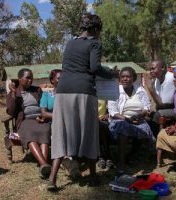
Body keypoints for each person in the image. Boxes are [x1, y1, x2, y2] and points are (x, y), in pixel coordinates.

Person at [48, 13, 119, 190]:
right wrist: (111, 73)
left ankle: (52, 179)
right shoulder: (95, 42)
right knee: (89, 131)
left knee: (61, 133)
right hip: (83, 91)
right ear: (95, 29)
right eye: (99, 31)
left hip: (62, 91)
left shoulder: (70, 43)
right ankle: (93, 176)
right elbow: (95, 67)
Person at [6, 68, 51, 179]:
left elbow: (43, 105)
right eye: (28, 78)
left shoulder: (37, 90)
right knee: (30, 132)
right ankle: (44, 163)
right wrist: (13, 95)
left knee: (45, 130)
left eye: (31, 78)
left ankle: (43, 166)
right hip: (25, 121)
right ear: (20, 79)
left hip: (39, 119)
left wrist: (43, 116)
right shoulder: (14, 92)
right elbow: (11, 112)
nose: (30, 80)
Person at [108, 66, 154, 175]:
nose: (125, 79)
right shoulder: (115, 91)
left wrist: (139, 116)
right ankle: (121, 163)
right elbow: (113, 112)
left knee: (145, 130)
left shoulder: (140, 90)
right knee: (123, 129)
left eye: (128, 77)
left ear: (133, 78)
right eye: (122, 77)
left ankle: (131, 156)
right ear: (119, 79)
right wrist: (127, 119)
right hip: (120, 120)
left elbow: (147, 107)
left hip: (138, 120)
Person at [144, 60, 176, 134]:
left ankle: (160, 138)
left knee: (156, 115)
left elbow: (162, 104)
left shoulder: (171, 78)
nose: (151, 71)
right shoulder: (157, 81)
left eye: (153, 68)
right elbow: (159, 103)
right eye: (150, 69)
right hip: (164, 108)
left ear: (163, 68)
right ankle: (155, 139)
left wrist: (150, 88)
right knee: (147, 117)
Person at [98, 100, 114, 169]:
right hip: (91, 119)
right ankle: (101, 156)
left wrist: (108, 114)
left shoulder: (104, 92)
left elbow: (111, 106)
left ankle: (107, 156)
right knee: (95, 126)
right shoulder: (88, 93)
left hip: (104, 119)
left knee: (103, 126)